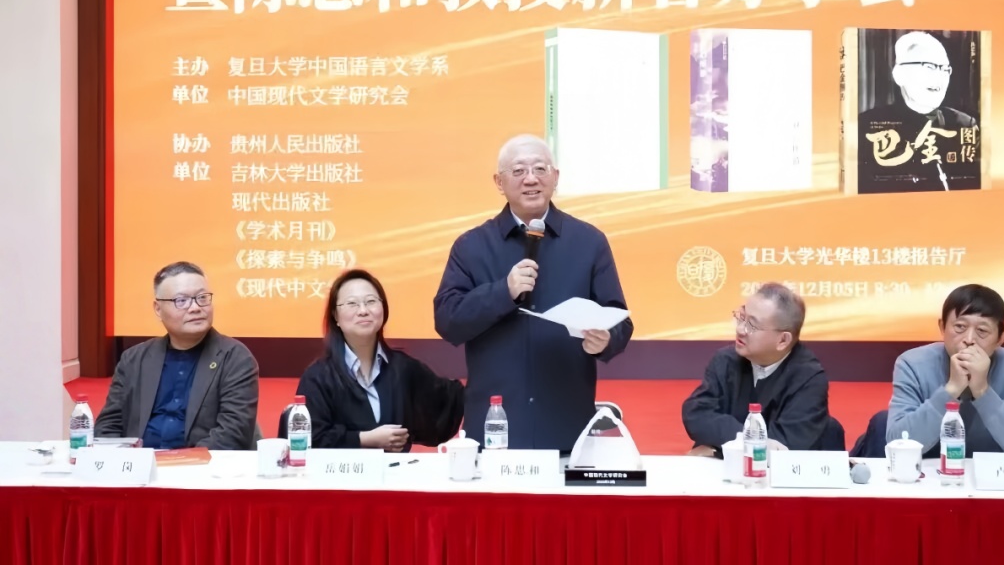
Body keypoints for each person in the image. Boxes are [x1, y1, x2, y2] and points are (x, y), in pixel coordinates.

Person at [434, 134, 633, 451]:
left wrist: (607, 339)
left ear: (556, 177)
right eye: (518, 171)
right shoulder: (471, 246)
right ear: (499, 182)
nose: (531, 179)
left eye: (540, 169)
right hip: (495, 427)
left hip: (566, 426)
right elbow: (447, 320)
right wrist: (503, 291)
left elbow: (620, 319)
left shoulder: (589, 242)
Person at [95, 261, 259, 450]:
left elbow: (232, 434)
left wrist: (180, 462)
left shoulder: (235, 358)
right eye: (181, 301)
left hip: (203, 466)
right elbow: (108, 426)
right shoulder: (134, 359)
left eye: (202, 298)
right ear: (158, 309)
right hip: (138, 464)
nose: (195, 307)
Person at [297, 269, 464, 451]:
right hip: (340, 470)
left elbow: (447, 403)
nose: (363, 311)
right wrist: (364, 439)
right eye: (352, 303)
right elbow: (308, 438)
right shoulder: (318, 377)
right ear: (335, 316)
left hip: (396, 469)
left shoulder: (403, 368)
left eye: (371, 301)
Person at [887, 284, 1004, 455]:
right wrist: (951, 390)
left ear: (1001, 338)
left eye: (982, 330)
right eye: (960, 327)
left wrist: (982, 390)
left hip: (992, 471)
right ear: (942, 327)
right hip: (930, 470)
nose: (969, 339)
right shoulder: (912, 364)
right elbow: (898, 444)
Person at [682, 282, 835, 455]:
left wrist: (718, 450)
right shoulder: (725, 360)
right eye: (741, 317)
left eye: (752, 325)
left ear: (783, 340)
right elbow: (696, 413)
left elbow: (784, 448)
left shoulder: (809, 378)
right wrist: (748, 440)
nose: (740, 329)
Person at [857, 30, 980, 193]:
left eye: (945, 69)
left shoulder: (965, 124)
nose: (940, 77)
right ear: (899, 75)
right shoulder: (866, 126)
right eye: (929, 67)